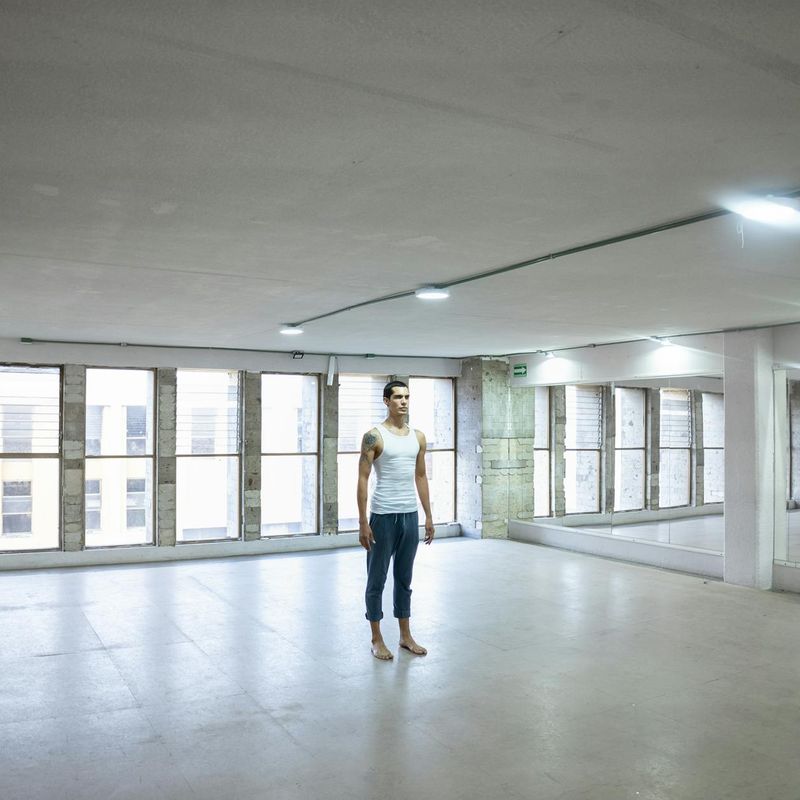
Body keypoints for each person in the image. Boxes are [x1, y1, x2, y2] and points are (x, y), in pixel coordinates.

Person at [357, 380, 435, 660]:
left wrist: (428, 515)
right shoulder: (374, 436)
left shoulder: (418, 437)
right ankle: (377, 638)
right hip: (382, 516)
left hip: (409, 515)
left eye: (407, 397)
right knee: (376, 579)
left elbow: (421, 476)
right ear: (386, 401)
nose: (403, 401)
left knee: (404, 578)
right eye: (398, 397)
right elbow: (363, 479)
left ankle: (405, 635)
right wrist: (363, 522)